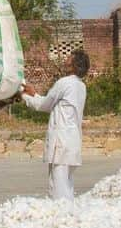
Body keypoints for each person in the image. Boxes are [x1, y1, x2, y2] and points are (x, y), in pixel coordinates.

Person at [21, 49, 89, 200]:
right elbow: (49, 102)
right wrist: (34, 94)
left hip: (61, 142)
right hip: (72, 140)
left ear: (74, 65)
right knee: (67, 184)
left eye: (69, 58)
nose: (65, 60)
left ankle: (62, 216)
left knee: (58, 186)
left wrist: (25, 96)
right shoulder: (81, 86)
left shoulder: (64, 83)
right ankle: (68, 215)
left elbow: (44, 105)